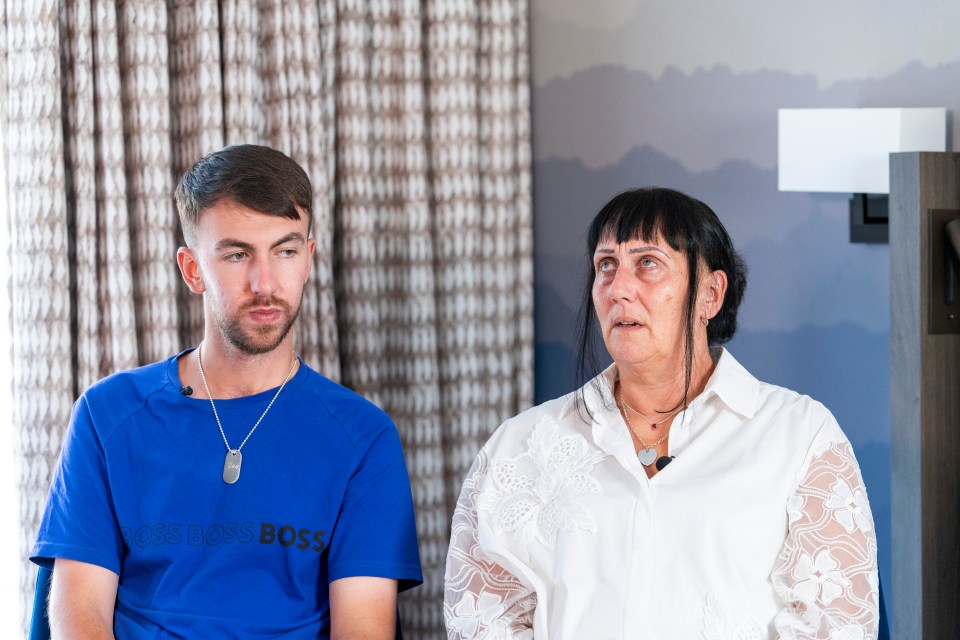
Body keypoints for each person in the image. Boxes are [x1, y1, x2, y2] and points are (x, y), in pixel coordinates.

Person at [443, 188, 878, 638]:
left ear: (711, 293)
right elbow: (482, 619)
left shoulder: (799, 435)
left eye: (647, 263)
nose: (618, 289)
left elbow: (834, 625)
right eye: (605, 265)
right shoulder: (520, 445)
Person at [31, 144, 423, 638]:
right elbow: (79, 616)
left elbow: (363, 629)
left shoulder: (363, 437)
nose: (265, 283)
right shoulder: (107, 414)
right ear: (192, 269)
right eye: (237, 254)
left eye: (285, 250)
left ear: (308, 259)